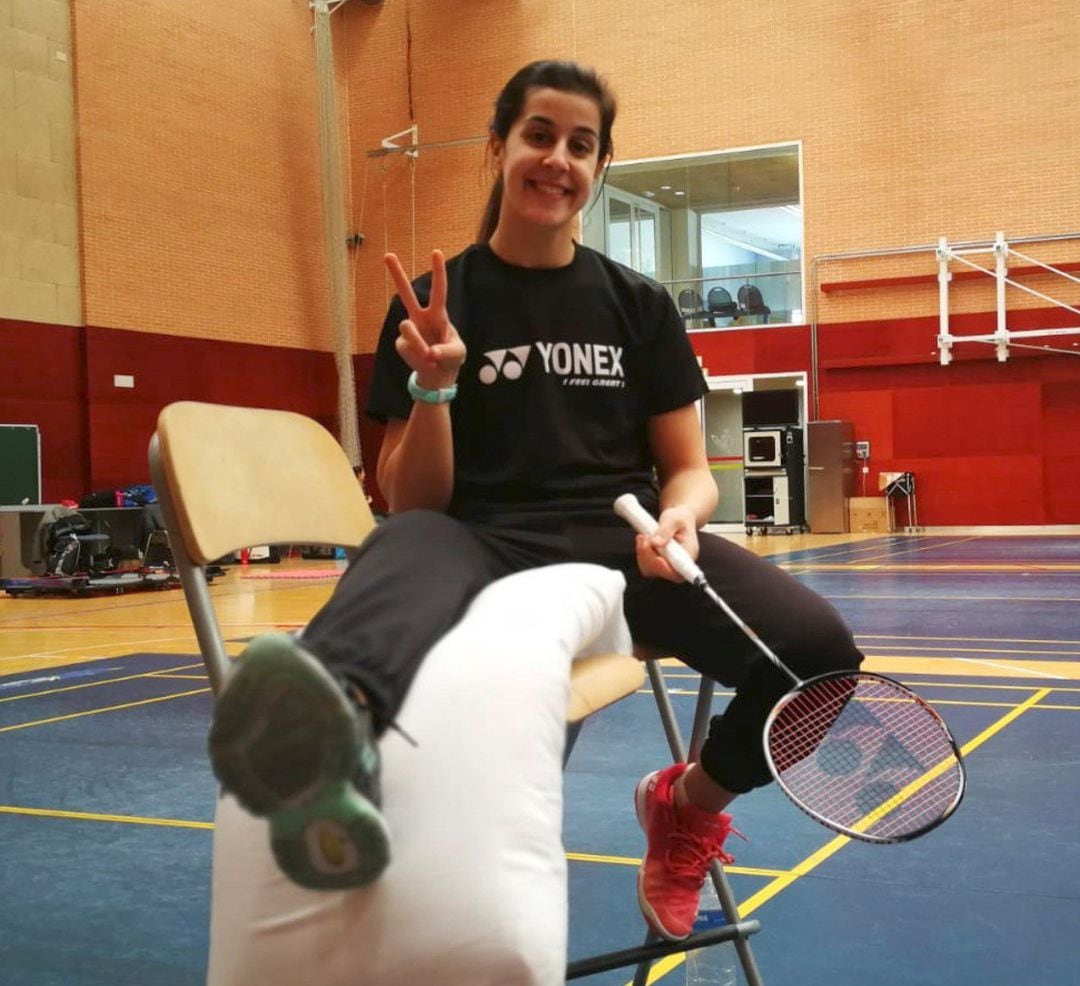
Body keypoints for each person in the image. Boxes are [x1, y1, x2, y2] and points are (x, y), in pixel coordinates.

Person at [207, 59, 863, 941]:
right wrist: (436, 387)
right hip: (477, 543)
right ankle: (331, 750)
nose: (558, 159)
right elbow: (409, 498)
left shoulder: (638, 306)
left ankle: (687, 807)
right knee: (397, 545)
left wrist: (682, 518)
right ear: (498, 147)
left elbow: (688, 468)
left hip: (626, 553)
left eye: (581, 145)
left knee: (821, 655)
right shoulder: (436, 305)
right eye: (539, 136)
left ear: (600, 169)